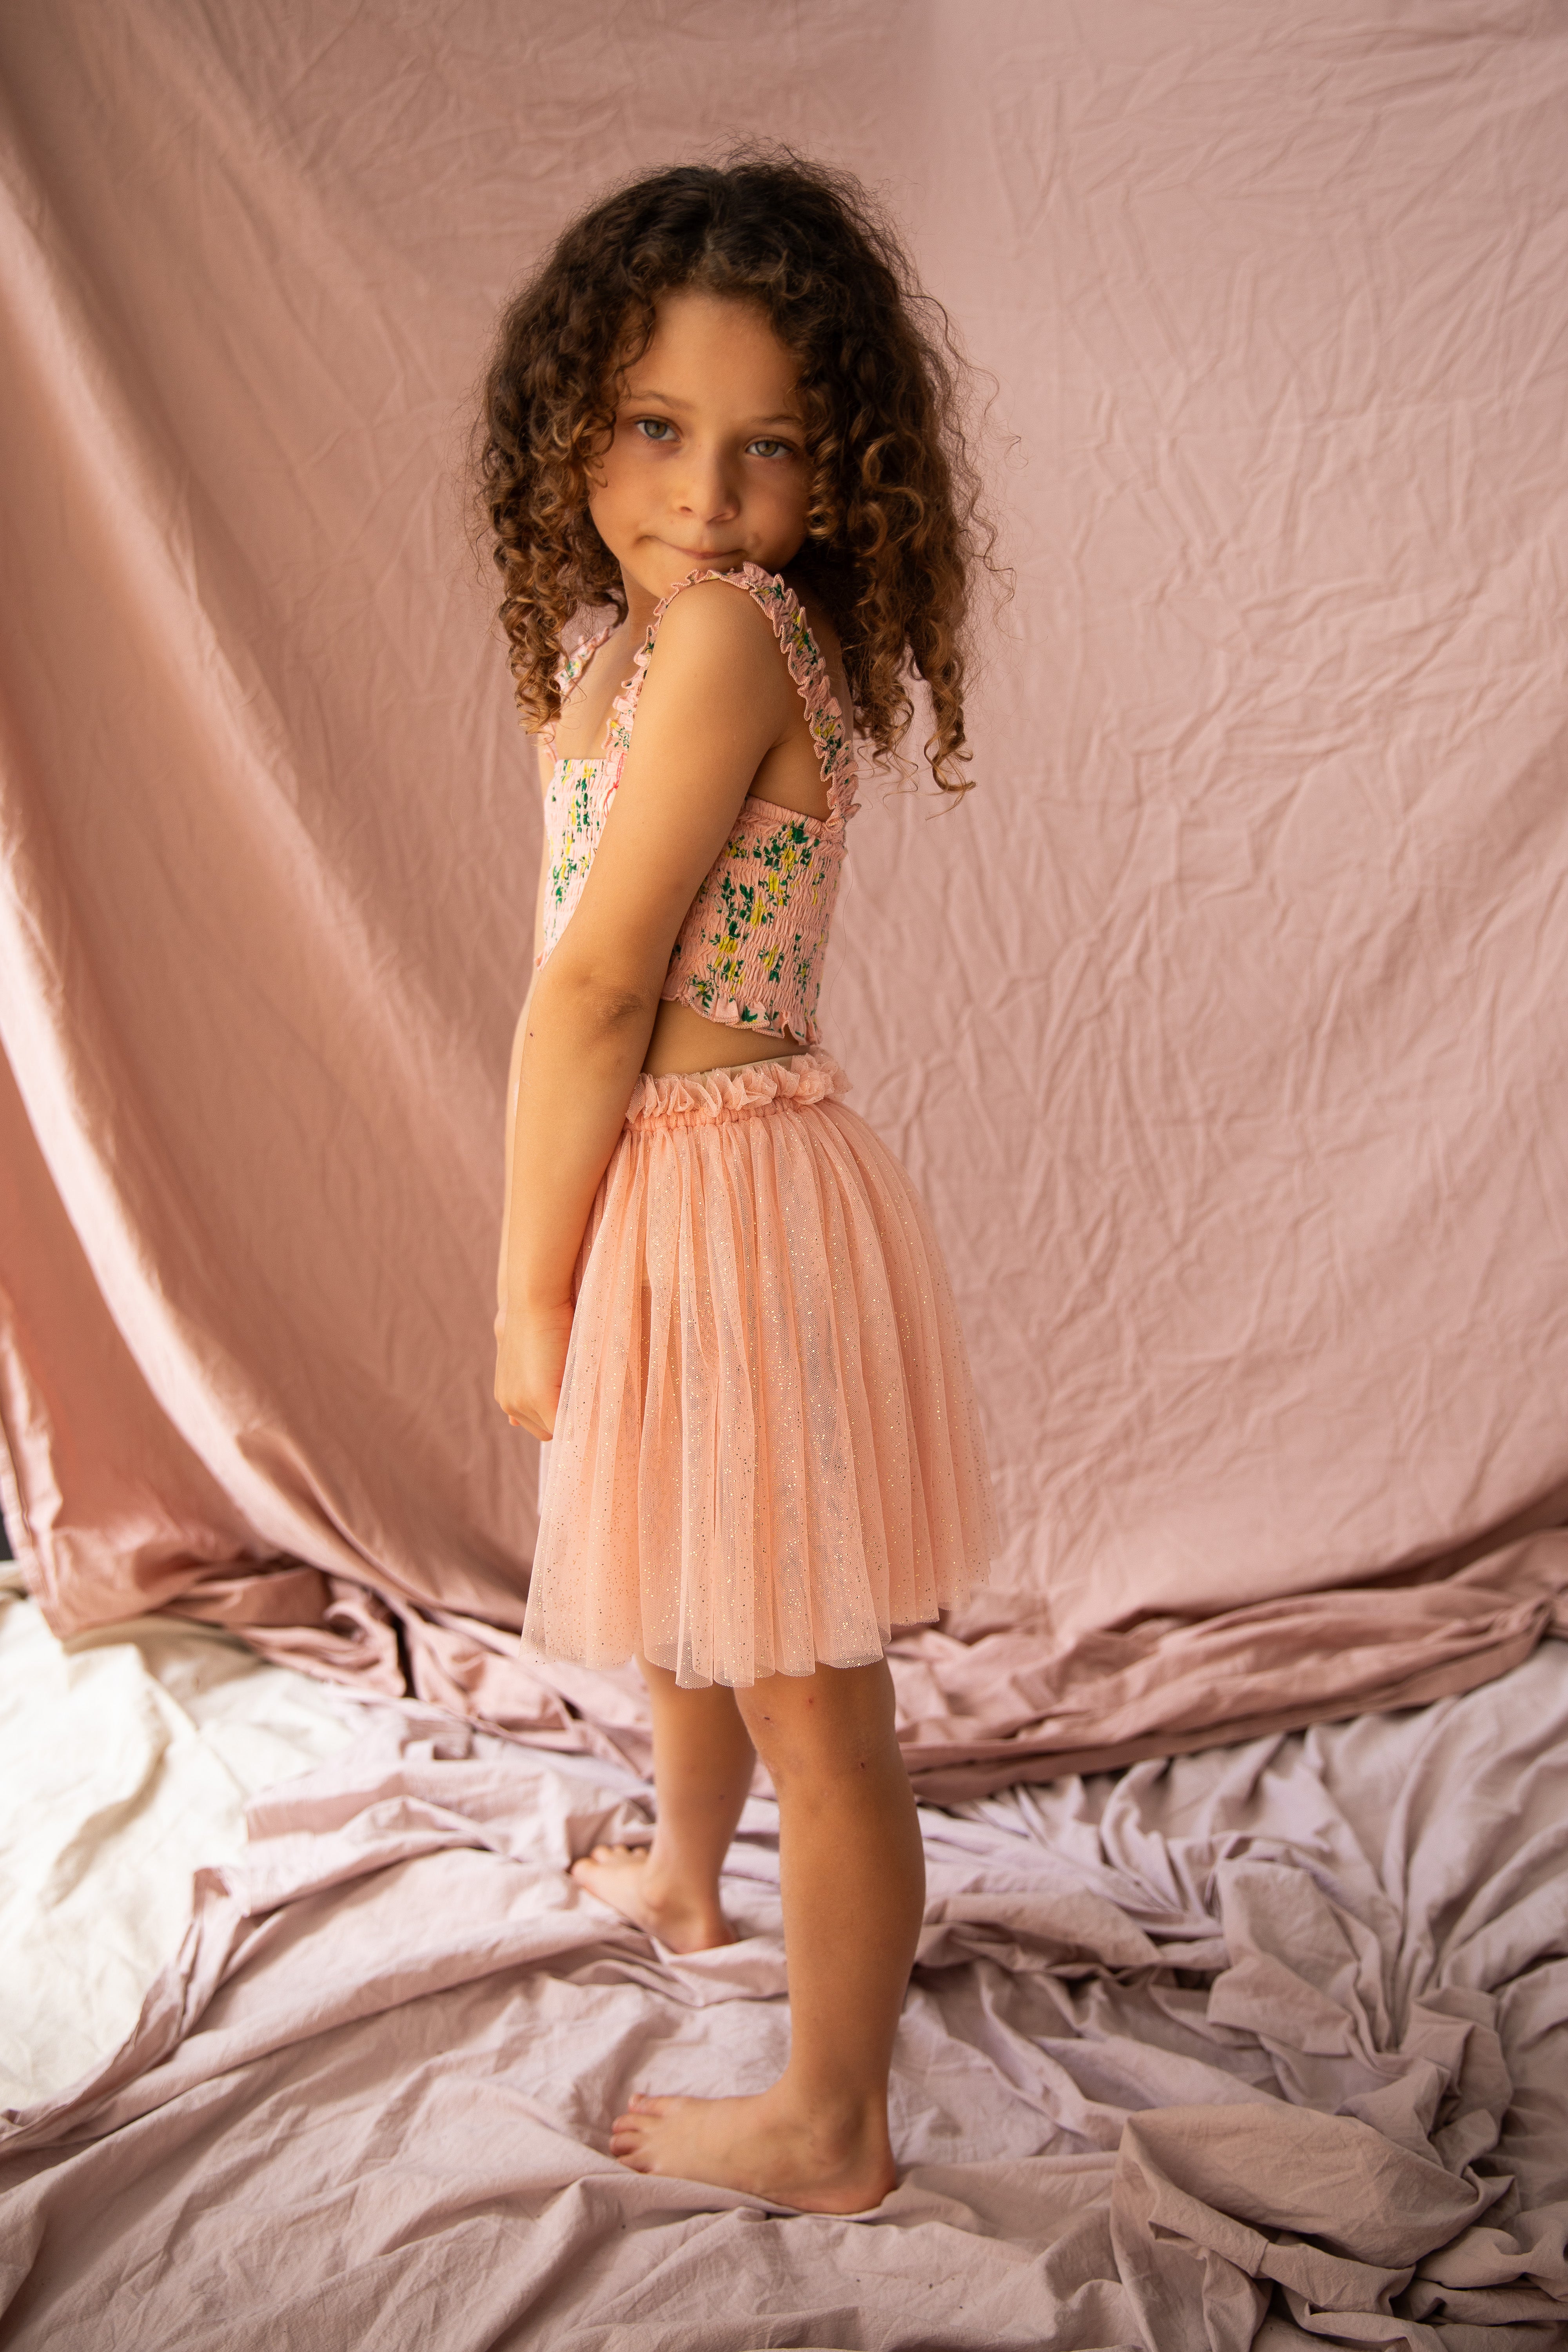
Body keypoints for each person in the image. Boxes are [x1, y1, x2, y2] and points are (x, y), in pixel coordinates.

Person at [476, 151, 999, 2214]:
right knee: (697, 1587)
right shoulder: (625, 641)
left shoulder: (730, 648)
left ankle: (834, 2116)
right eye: (655, 431)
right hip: (665, 1184)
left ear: (841, 472)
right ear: (573, 429)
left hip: (719, 1187)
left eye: (767, 451)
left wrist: (529, 1287)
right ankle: (689, 1877)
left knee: (808, 1680)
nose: (704, 495)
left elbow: (601, 983)